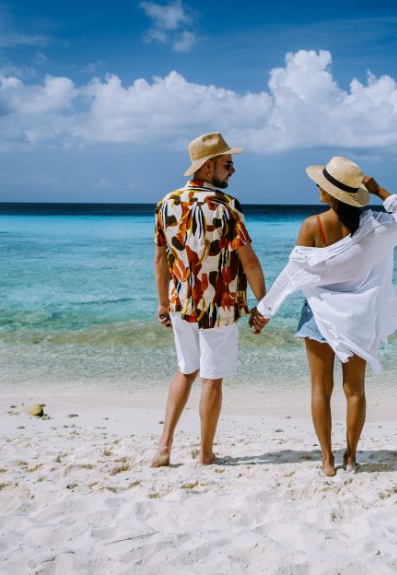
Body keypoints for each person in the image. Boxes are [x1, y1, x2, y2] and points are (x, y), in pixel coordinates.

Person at [250, 156, 397, 476]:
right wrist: (379, 189)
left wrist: (265, 309)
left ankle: (327, 459)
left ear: (330, 194)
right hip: (358, 317)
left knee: (320, 389)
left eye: (322, 185)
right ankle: (352, 458)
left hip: (318, 314)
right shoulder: (377, 225)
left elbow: (292, 274)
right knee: (355, 390)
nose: (317, 188)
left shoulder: (313, 225)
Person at [152, 132, 266, 466]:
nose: (233, 170)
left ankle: (164, 446)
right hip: (219, 305)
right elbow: (249, 261)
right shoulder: (227, 207)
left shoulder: (166, 203)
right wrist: (264, 304)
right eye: (228, 164)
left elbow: (161, 260)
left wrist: (162, 303)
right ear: (208, 166)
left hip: (181, 303)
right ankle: (205, 454)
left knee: (185, 370)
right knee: (211, 378)